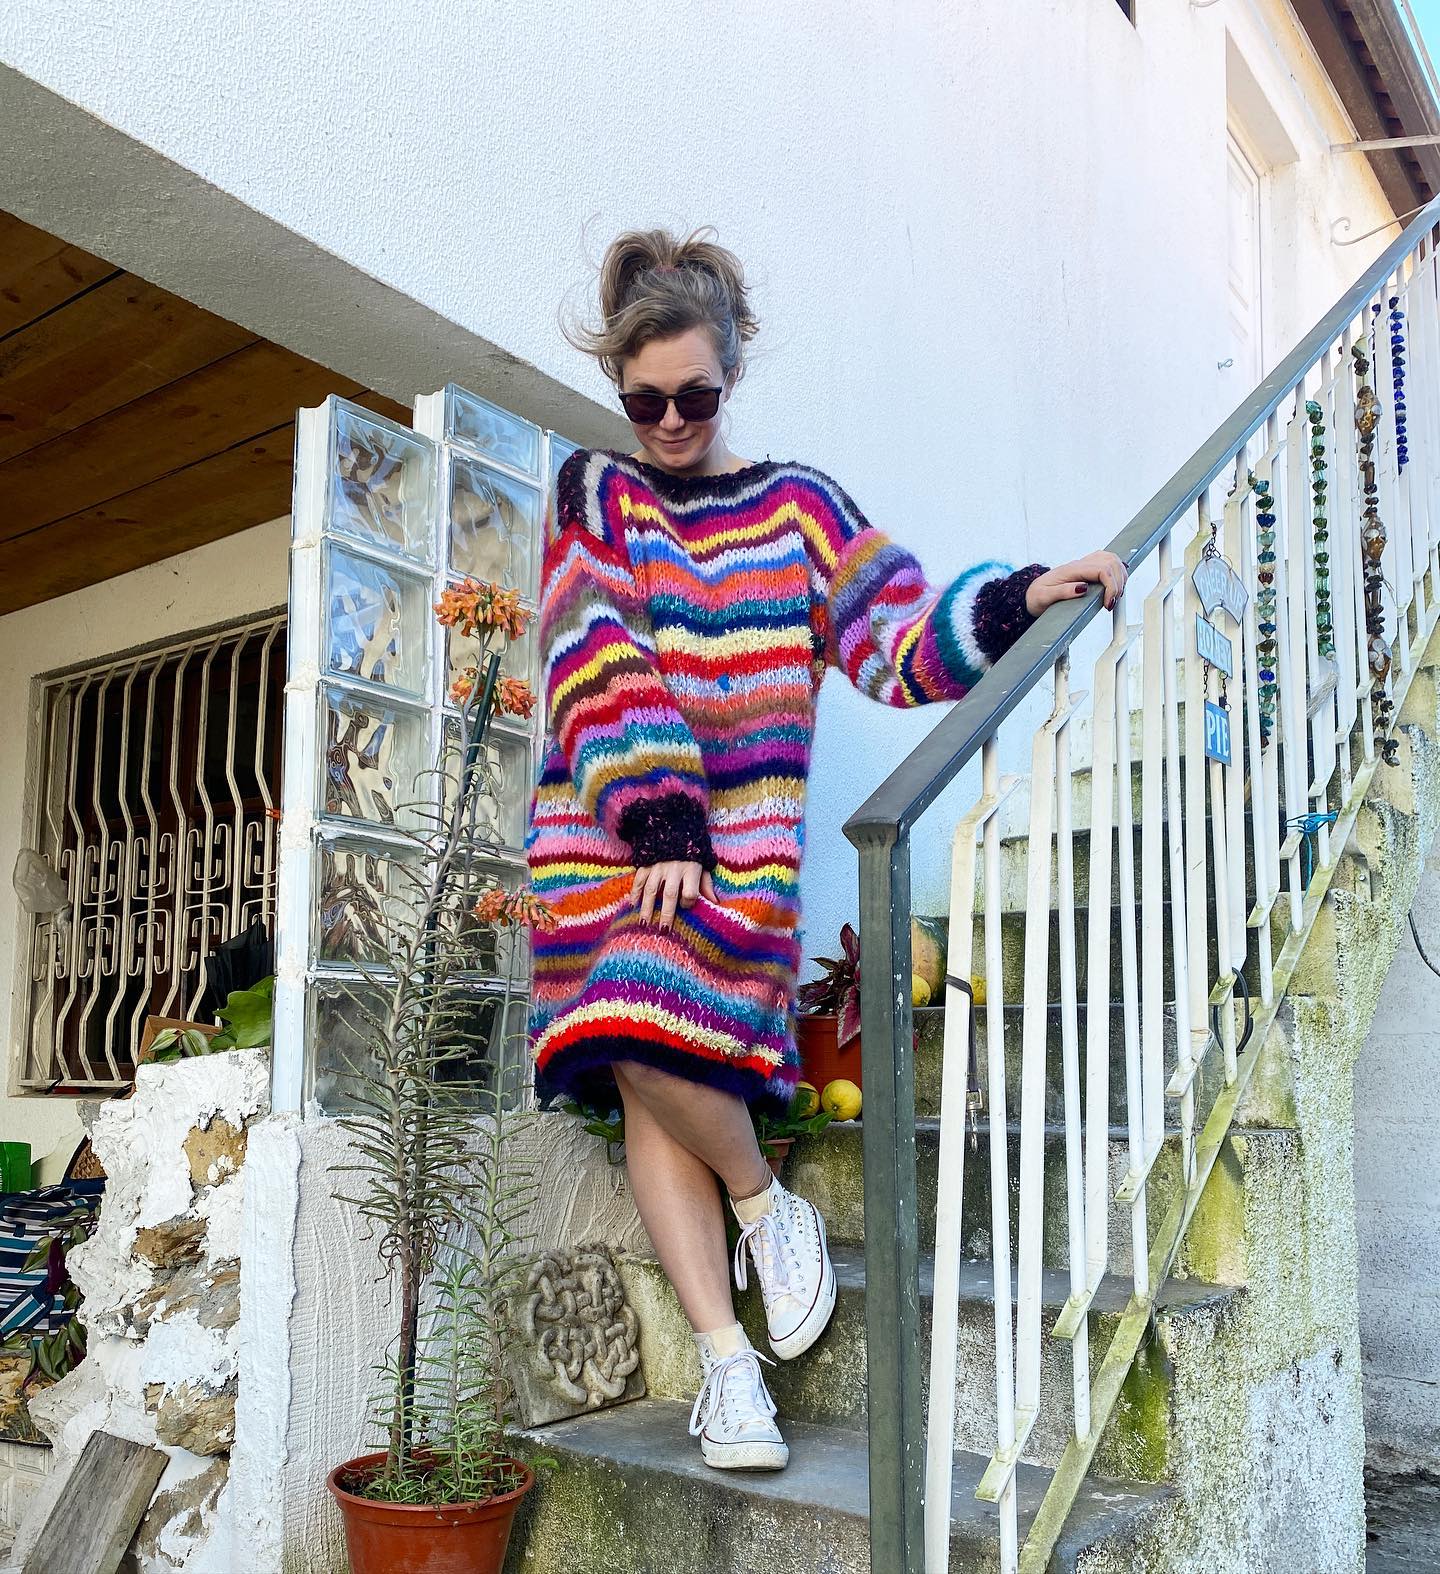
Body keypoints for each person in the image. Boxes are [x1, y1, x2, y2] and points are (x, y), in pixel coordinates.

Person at [523, 224, 1127, 1471]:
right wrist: (660, 813)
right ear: (619, 388)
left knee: (647, 1037)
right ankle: (735, 1346)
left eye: (695, 396)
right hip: (611, 827)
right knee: (633, 1046)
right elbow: (588, 648)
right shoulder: (594, 492)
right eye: (646, 400)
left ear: (733, 374)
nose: (671, 421)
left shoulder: (798, 507)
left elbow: (893, 634)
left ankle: (754, 1232)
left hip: (737, 854)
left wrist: (1017, 597)